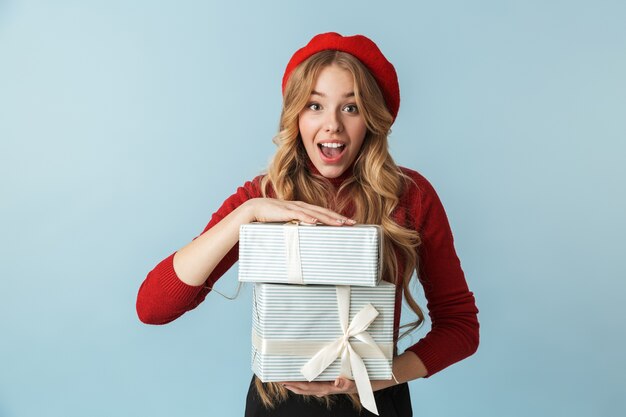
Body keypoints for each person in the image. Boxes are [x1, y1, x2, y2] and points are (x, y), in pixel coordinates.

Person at [136, 32, 479, 417]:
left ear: (372, 118)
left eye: (351, 108)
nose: (332, 125)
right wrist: (245, 215)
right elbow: (153, 308)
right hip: (277, 408)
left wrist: (380, 376)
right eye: (315, 106)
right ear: (296, 115)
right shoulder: (263, 196)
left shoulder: (411, 196)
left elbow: (461, 327)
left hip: (374, 403)